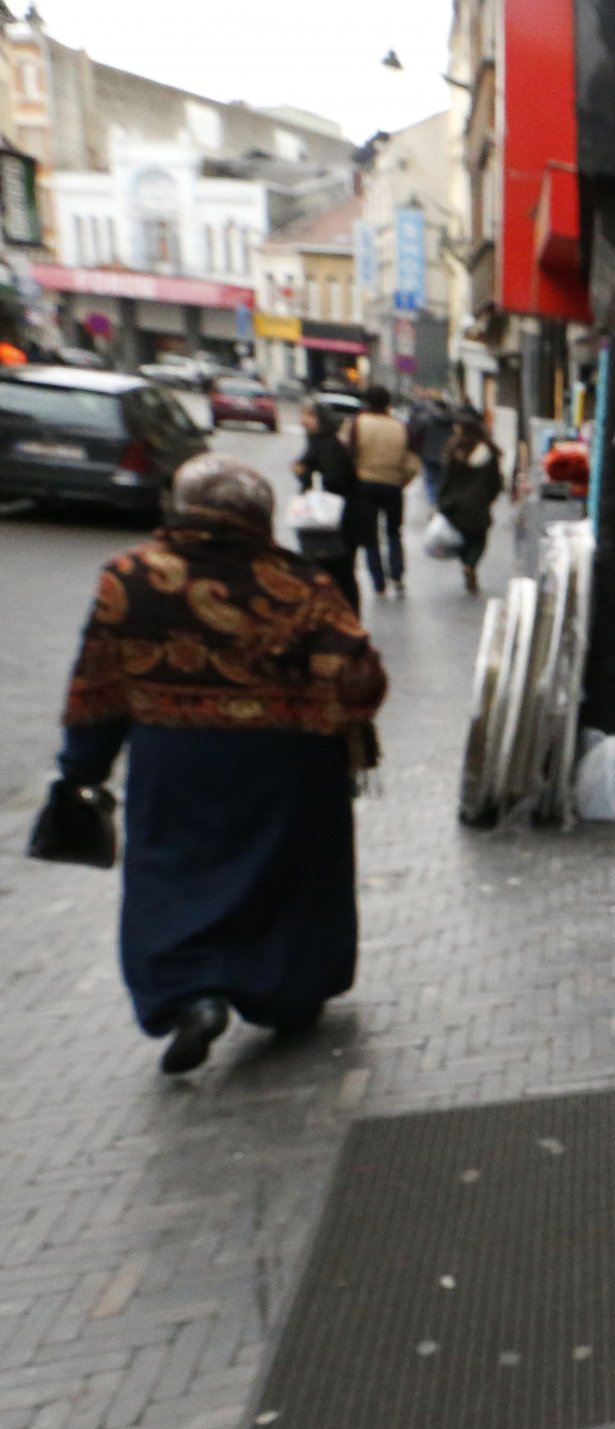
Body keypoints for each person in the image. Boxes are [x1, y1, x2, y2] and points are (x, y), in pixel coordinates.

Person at [54, 455, 387, 1075]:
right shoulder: (300, 584)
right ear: (260, 517)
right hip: (287, 765)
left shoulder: (127, 579)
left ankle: (192, 996)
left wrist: (83, 768)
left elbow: (95, 687)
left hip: (172, 762)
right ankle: (289, 996)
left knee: (172, 877)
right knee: (290, 879)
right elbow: (357, 678)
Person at [344, 386, 420, 599]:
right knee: (394, 532)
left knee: (370, 537)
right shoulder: (400, 427)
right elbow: (412, 461)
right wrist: (402, 480)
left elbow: (349, 454)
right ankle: (397, 576)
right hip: (393, 485)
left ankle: (378, 582)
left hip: (364, 484)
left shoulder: (358, 424)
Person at [291, 401, 363, 614]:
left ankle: (345, 615)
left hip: (337, 520)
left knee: (338, 570)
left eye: (308, 415)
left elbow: (334, 479)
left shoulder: (327, 444)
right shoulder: (319, 442)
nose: (303, 420)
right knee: (333, 570)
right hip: (331, 519)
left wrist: (306, 472)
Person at [434, 408, 504, 595]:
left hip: (454, 503)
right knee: (479, 538)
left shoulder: (453, 449)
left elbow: (445, 477)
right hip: (478, 502)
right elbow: (496, 480)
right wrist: (490, 497)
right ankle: (470, 564)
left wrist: (441, 500)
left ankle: (466, 562)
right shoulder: (488, 450)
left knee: (461, 537)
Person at [408, 390, 454, 506]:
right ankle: (440, 501)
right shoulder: (452, 422)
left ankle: (432, 503)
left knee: (430, 480)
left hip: (428, 454)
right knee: (441, 480)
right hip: (445, 456)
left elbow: (417, 434)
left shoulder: (427, 420)